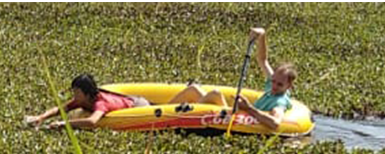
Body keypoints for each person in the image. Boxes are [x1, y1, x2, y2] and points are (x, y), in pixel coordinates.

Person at [168, 27, 297, 132]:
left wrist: (248, 108)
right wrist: (262, 36)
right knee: (193, 89)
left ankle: (180, 119)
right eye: (273, 81)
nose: (273, 85)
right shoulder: (273, 86)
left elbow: (275, 123)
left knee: (215, 94)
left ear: (288, 86)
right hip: (233, 113)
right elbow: (262, 60)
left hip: (235, 119)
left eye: (279, 84)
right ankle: (160, 112)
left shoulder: (279, 102)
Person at [24, 73, 148, 129]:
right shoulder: (82, 99)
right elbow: (60, 109)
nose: (74, 95)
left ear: (87, 93)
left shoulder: (100, 103)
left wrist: (64, 124)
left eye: (77, 92)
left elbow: (92, 121)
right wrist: (41, 117)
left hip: (138, 105)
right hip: (127, 98)